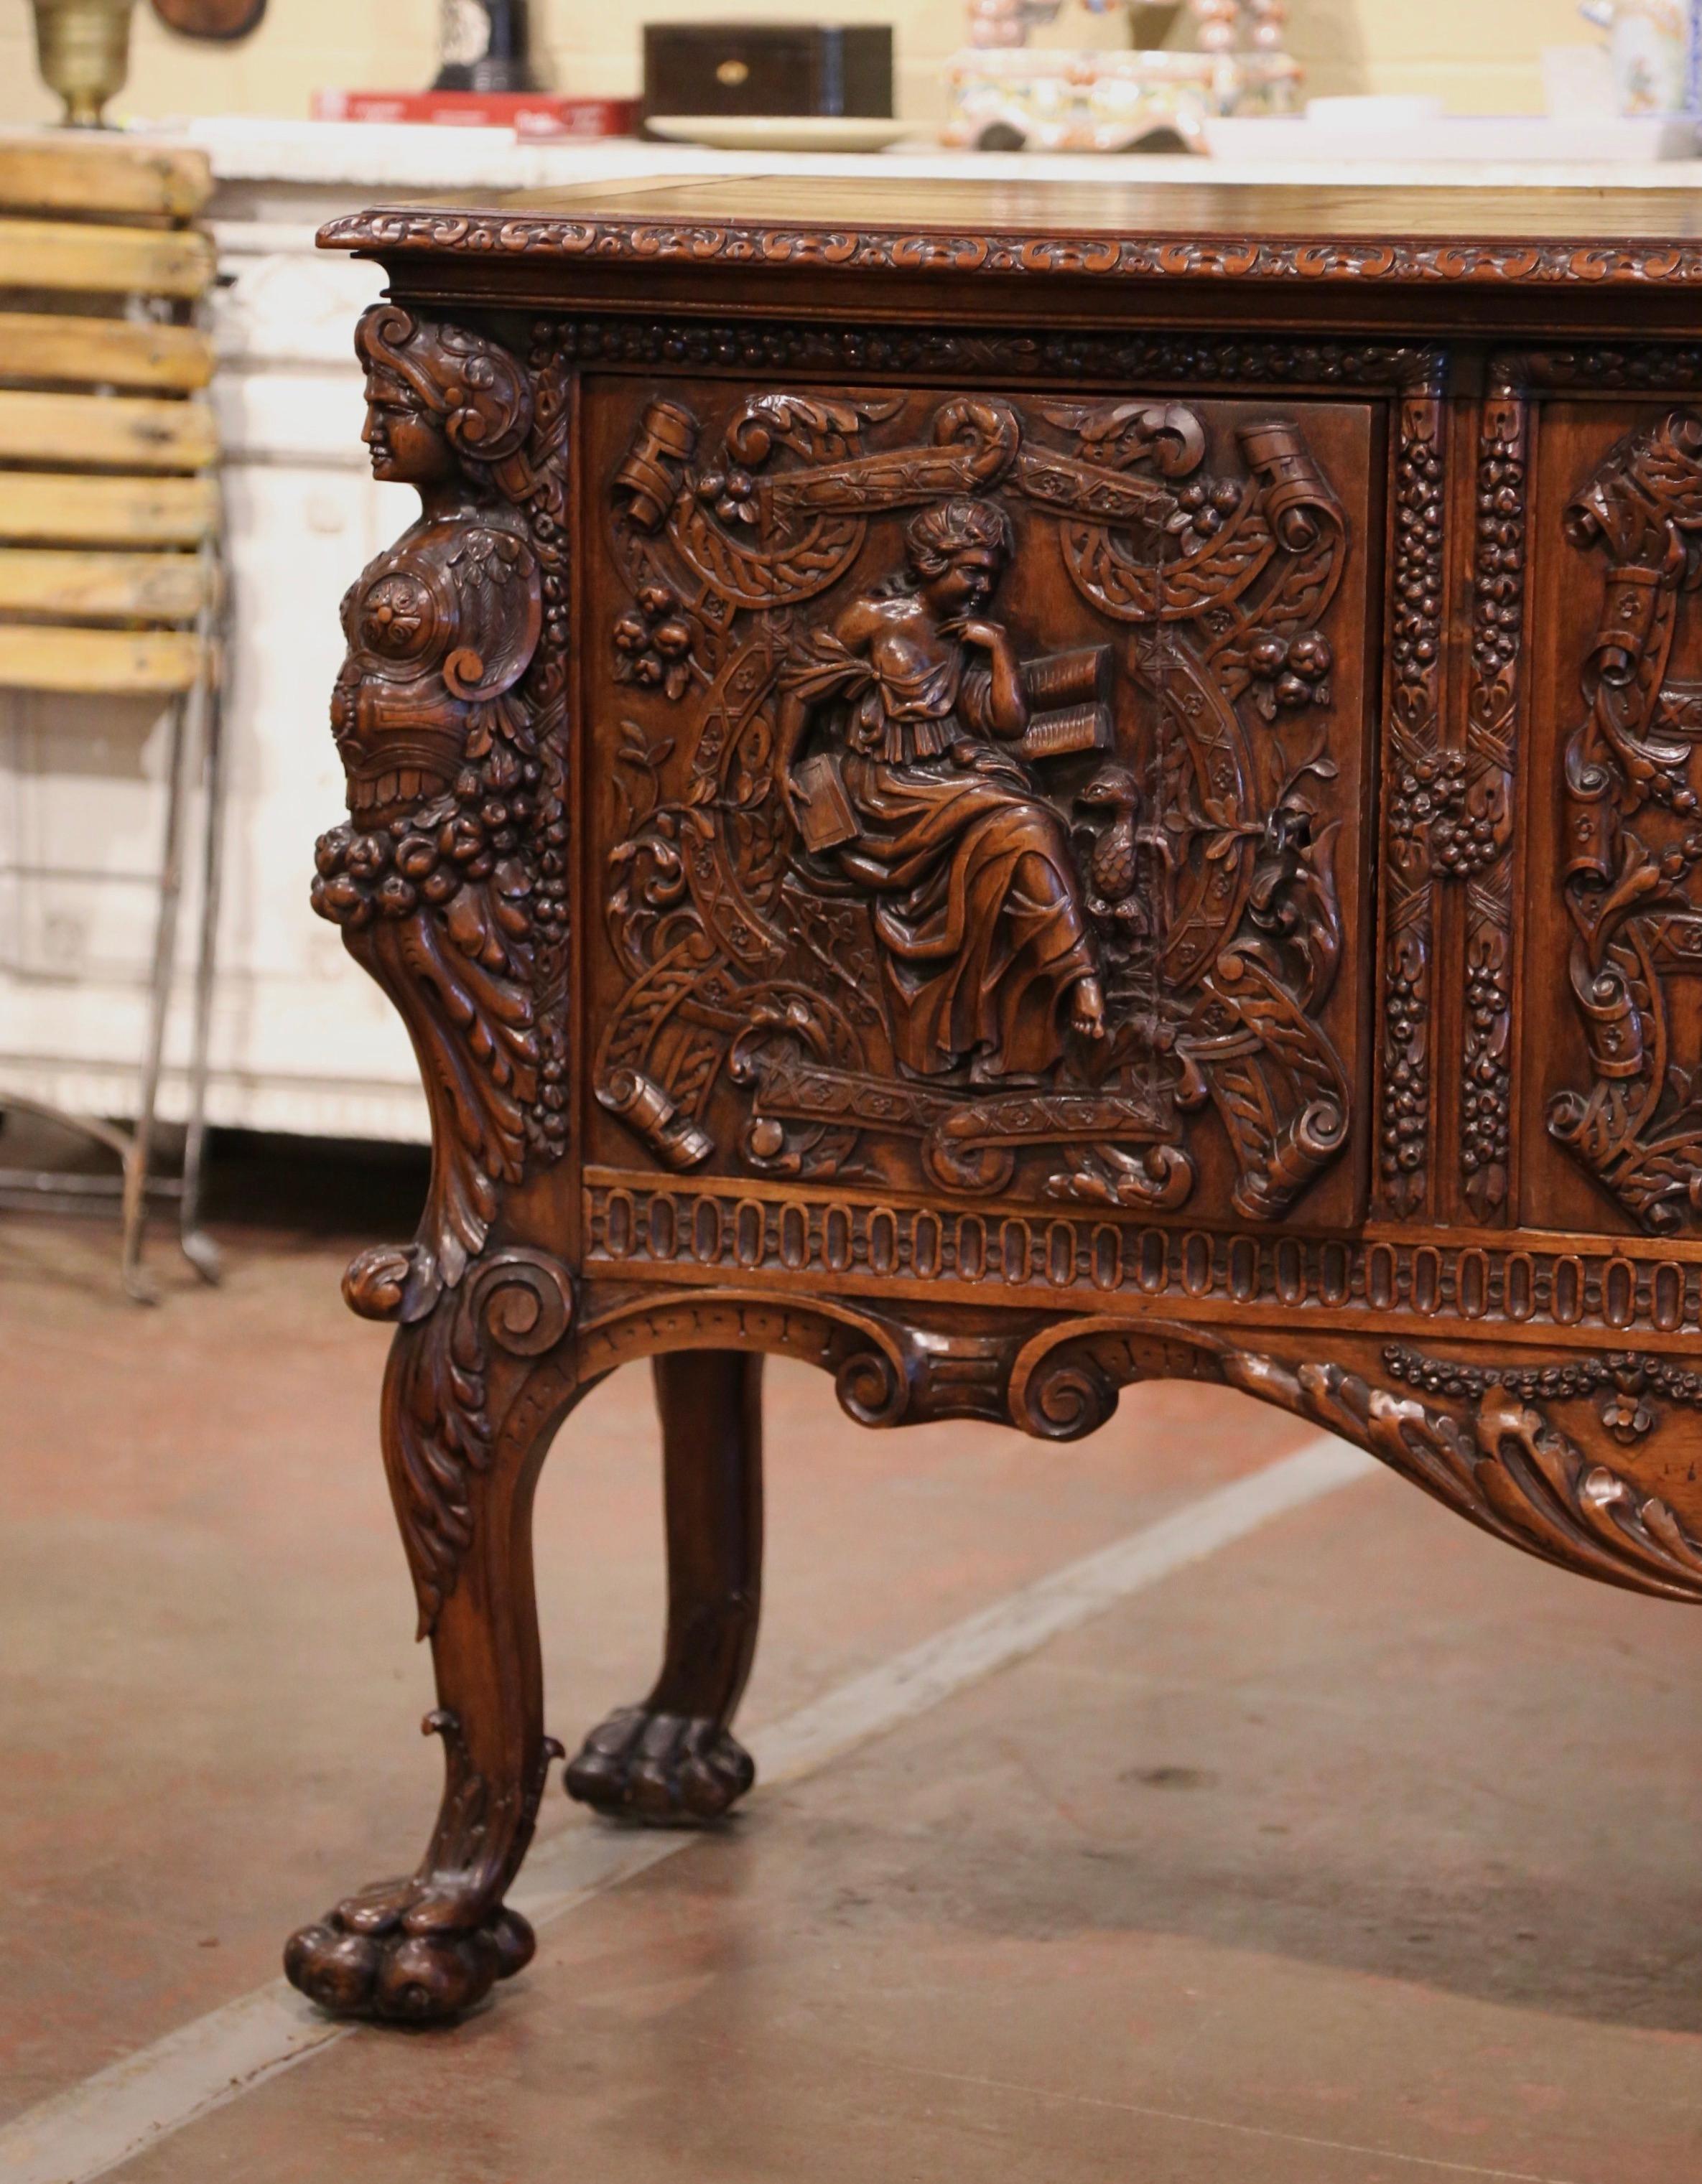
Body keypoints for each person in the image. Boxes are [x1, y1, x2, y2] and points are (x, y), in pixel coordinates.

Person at [776, 496, 1104, 1085]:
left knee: (1029, 829)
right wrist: (782, 765)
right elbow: (804, 686)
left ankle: (1073, 983)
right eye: (970, 571)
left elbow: (1008, 724)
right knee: (1026, 822)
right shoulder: (872, 619)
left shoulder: (964, 636)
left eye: (990, 574)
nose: (983, 586)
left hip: (941, 784)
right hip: (881, 795)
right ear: (931, 561)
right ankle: (1070, 979)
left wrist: (999, 649)